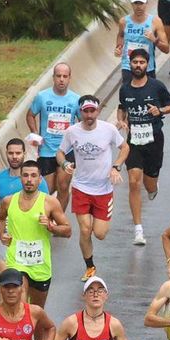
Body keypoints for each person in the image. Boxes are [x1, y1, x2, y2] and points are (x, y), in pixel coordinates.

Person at [57, 95, 125, 280]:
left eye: (92, 111)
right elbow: (60, 152)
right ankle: (90, 266)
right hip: (81, 188)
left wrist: (116, 166)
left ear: (98, 111)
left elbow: (125, 147)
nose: (89, 115)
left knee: (100, 234)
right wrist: (64, 164)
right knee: (85, 229)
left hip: (104, 190)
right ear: (80, 112)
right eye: (85, 111)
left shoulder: (108, 129)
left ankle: (97, 230)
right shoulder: (72, 132)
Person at [116, 46, 170, 246]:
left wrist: (160, 110)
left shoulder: (156, 86)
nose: (138, 65)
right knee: (134, 182)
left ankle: (152, 186)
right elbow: (122, 108)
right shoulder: (125, 88)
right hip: (134, 141)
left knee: (149, 185)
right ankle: (138, 229)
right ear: (130, 64)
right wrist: (121, 120)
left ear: (147, 64)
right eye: (135, 62)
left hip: (154, 140)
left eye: (142, 62)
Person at [0, 161, 73, 308]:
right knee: (20, 304)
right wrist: (1, 235)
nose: (29, 180)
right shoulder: (9, 201)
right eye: (25, 175)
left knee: (36, 311)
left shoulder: (50, 202)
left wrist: (51, 227)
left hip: (40, 265)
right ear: (20, 178)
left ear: (40, 179)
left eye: (33, 176)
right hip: (16, 262)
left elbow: (67, 231)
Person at [24, 63, 81, 205]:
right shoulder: (42, 97)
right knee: (46, 190)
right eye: (58, 76)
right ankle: (46, 214)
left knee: (63, 187)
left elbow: (83, 121)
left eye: (65, 76)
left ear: (70, 78)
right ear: (53, 77)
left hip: (67, 151)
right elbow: (30, 115)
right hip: (46, 150)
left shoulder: (76, 99)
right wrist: (35, 134)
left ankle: (58, 217)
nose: (61, 79)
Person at [0, 139, 47, 217]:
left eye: (18, 153)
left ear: (24, 154)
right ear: (6, 154)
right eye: (10, 153)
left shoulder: (36, 180)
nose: (14, 157)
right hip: (6, 223)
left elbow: (47, 204)